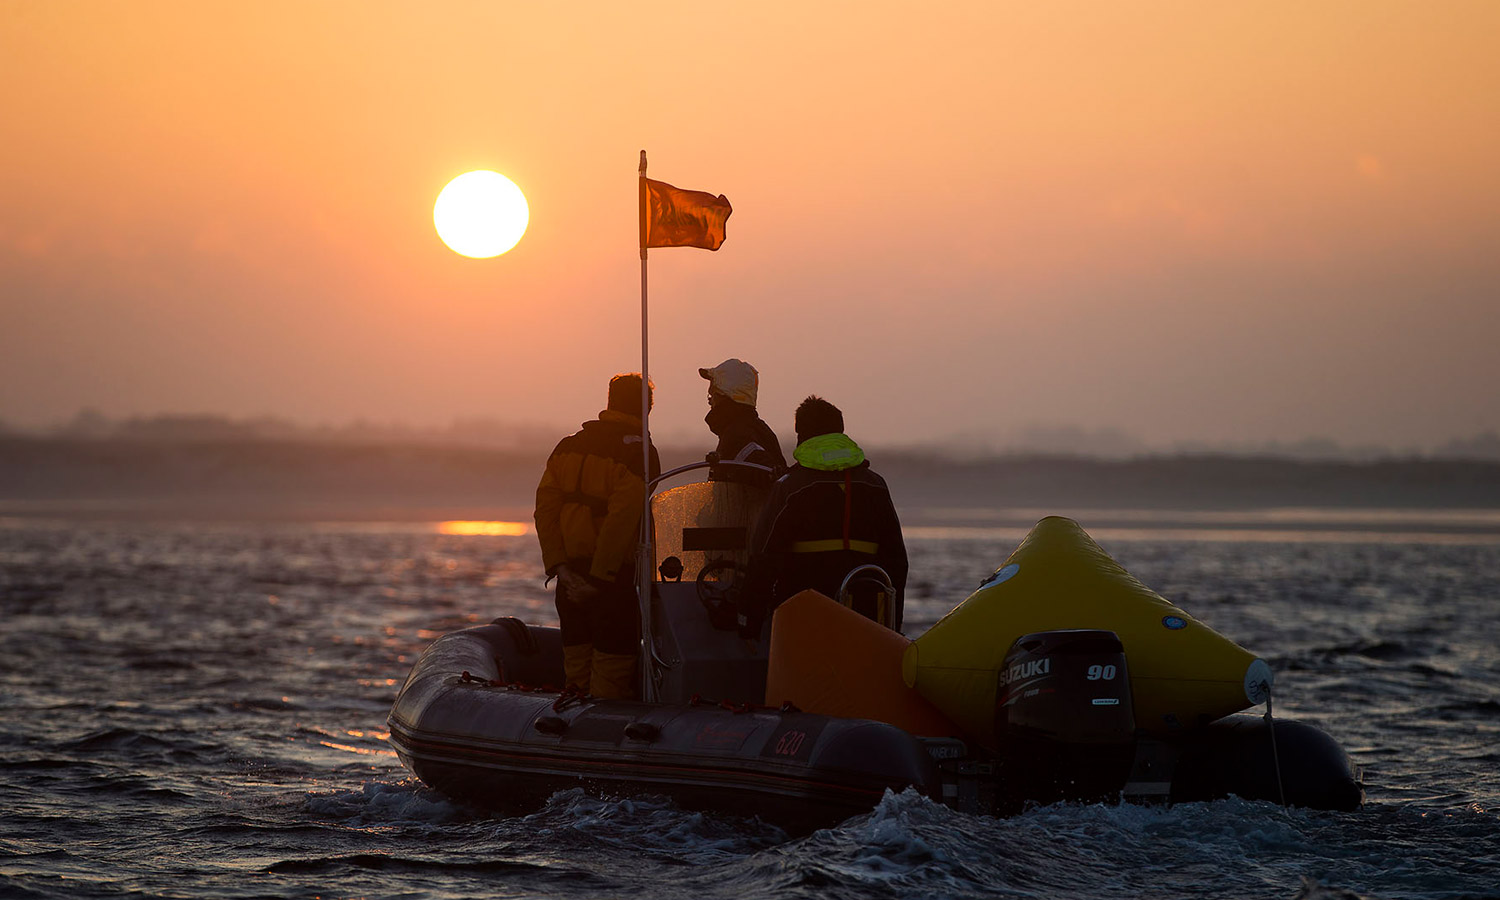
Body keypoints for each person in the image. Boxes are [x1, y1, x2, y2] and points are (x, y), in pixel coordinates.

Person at [533, 372, 661, 699]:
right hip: (611, 583)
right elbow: (622, 519)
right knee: (611, 674)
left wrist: (559, 568)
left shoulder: (566, 447)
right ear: (646, 409)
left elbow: (545, 511)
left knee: (576, 669)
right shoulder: (640, 454)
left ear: (609, 401)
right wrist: (599, 580)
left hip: (569, 580)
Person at [737, 395, 908, 634]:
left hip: (805, 615)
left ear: (801, 435)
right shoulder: (875, 485)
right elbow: (897, 561)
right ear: (840, 431)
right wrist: (893, 625)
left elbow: (765, 555)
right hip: (867, 618)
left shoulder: (791, 486)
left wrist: (749, 618)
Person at [699, 358, 786, 485]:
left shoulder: (740, 435)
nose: (710, 400)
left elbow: (767, 472)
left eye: (714, 393)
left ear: (726, 397)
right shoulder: (752, 428)